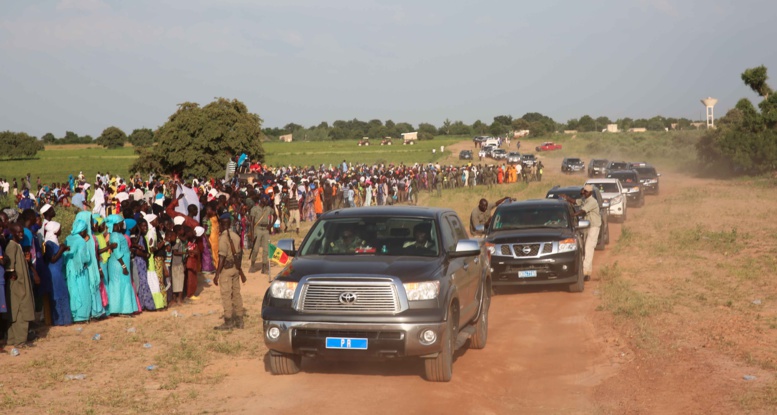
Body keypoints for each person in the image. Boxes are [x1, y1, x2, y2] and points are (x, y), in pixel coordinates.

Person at [560, 184, 601, 281]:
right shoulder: (584, 199)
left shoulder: (592, 201)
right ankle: (585, 271)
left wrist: (571, 215)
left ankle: (585, 272)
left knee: (588, 248)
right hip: (586, 226)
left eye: (586, 191)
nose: (584, 192)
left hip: (594, 226)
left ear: (590, 193)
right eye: (583, 191)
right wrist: (567, 198)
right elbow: (575, 202)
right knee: (584, 249)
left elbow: (582, 211)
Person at [213, 213, 246, 330]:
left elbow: (221, 258)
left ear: (222, 224)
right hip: (236, 268)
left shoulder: (223, 239)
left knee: (226, 295)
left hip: (226, 269)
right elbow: (240, 253)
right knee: (236, 293)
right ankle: (239, 319)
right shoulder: (236, 236)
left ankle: (228, 321)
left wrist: (217, 274)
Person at [5, 223, 35, 348]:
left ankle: (13, 339)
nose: (21, 234)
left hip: (20, 282)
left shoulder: (18, 246)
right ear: (12, 233)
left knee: (18, 310)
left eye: (22, 231)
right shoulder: (12, 246)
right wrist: (14, 275)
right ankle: (20, 341)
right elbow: (10, 268)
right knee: (20, 311)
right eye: (18, 232)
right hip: (17, 284)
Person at [105, 214, 138, 315]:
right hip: (118, 265)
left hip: (122, 263)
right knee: (119, 284)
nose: (122, 225)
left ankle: (123, 308)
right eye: (120, 224)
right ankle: (120, 309)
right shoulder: (114, 236)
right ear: (116, 225)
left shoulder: (118, 235)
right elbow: (117, 252)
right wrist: (123, 266)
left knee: (122, 284)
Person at [43, 221, 72, 326]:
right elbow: (53, 259)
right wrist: (62, 249)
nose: (60, 230)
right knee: (58, 294)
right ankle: (60, 320)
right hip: (54, 272)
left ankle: (64, 319)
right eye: (59, 228)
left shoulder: (53, 241)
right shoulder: (49, 243)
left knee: (61, 293)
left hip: (57, 271)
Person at [249, 198, 271, 273]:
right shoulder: (254, 209)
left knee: (266, 249)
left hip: (265, 229)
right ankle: (252, 265)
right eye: (265, 199)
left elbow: (275, 215)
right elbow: (252, 222)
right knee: (255, 249)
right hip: (257, 229)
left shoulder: (268, 209)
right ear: (261, 200)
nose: (266, 201)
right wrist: (252, 234)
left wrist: (271, 225)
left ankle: (264, 267)